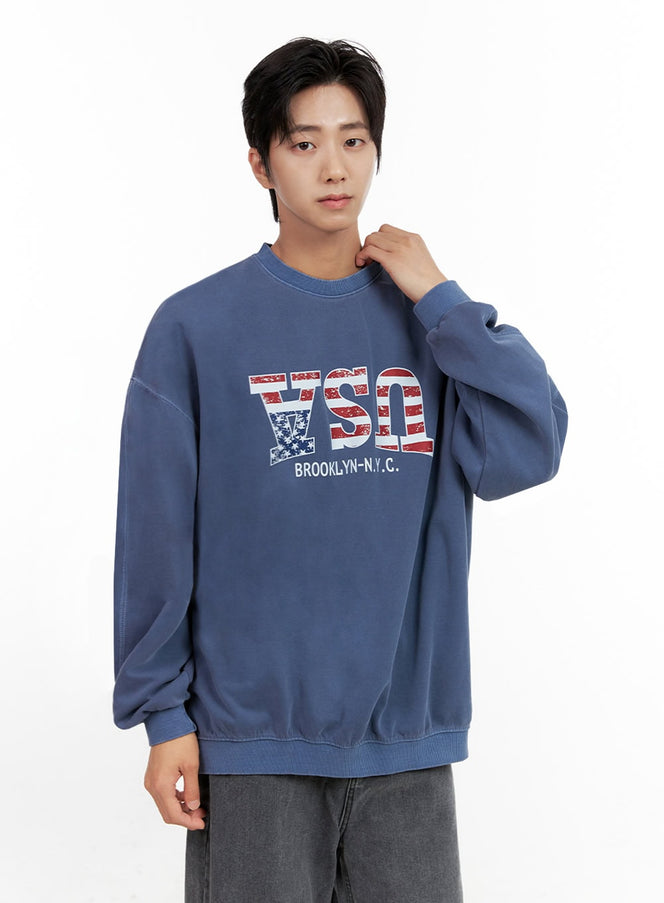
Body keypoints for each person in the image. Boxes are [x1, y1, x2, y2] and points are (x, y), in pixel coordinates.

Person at [113, 37, 567, 903]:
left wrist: (442, 296)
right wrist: (164, 716)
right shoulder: (195, 328)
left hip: (408, 742)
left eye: (354, 140)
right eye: (304, 142)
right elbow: (155, 535)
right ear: (261, 163)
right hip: (252, 742)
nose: (334, 167)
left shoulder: (432, 327)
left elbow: (531, 443)